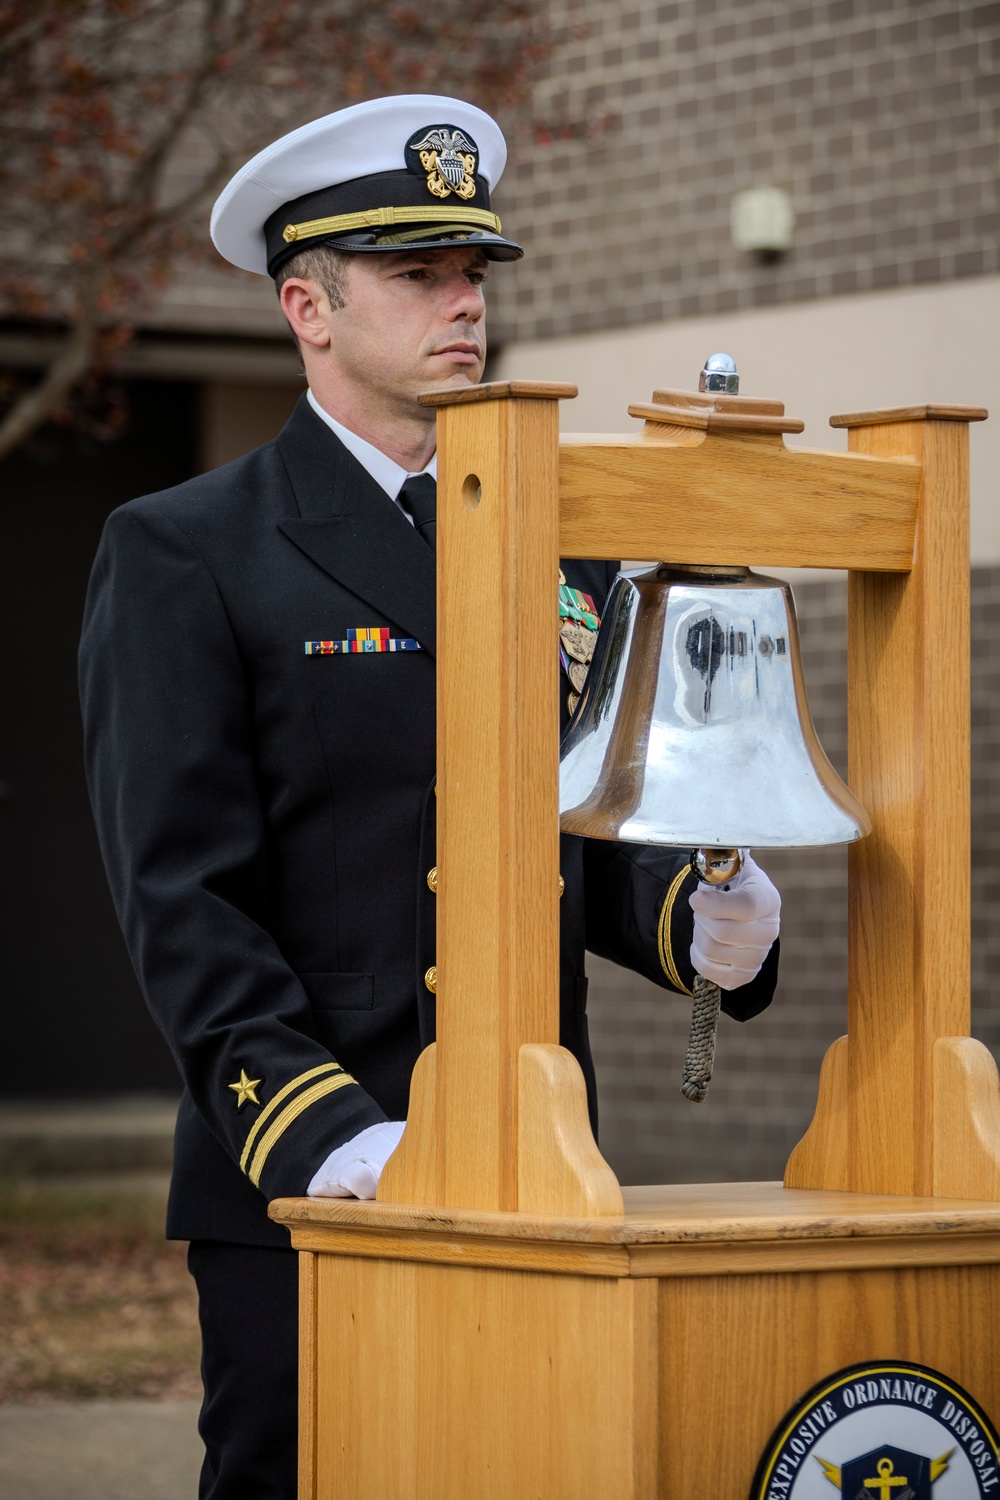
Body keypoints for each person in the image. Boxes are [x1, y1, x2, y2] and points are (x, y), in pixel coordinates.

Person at [79, 94, 782, 1500]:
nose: (465, 304)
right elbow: (180, 897)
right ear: (308, 309)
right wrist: (329, 1129)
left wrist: (694, 921)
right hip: (314, 1182)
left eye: (472, 275)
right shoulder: (186, 550)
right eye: (418, 277)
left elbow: (557, 829)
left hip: (543, 1168)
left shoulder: (562, 553)